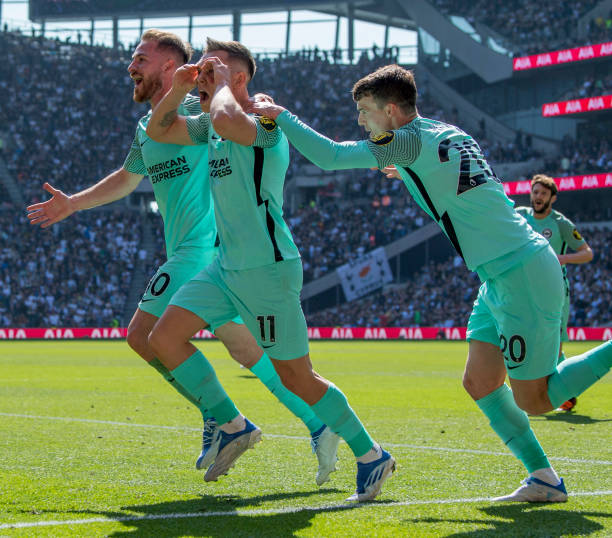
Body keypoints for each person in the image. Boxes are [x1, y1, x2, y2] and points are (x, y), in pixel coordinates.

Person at [249, 64, 612, 502]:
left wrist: (279, 114)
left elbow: (332, 156)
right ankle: (544, 479)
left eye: (365, 112)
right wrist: (408, 173)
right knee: (480, 381)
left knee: (535, 399)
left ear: (392, 109)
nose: (361, 122)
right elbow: (457, 185)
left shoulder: (409, 140)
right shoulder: (445, 132)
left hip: (520, 272)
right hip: (501, 274)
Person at [25, 29, 339, 485]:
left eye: (140, 58)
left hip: (204, 250)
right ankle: (318, 423)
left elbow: (239, 119)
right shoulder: (149, 127)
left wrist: (243, 95)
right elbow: (127, 178)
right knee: (248, 352)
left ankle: (228, 421)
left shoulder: (200, 110)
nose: (131, 66)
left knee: (141, 334)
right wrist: (72, 202)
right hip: (202, 256)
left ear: (170, 67)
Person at [146, 38, 395, 501]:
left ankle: (370, 453)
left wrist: (219, 85)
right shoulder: (211, 125)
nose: (202, 80)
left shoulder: (264, 124)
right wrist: (176, 88)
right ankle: (232, 424)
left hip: (267, 270)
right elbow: (160, 130)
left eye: (212, 72)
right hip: (225, 267)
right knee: (161, 339)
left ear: (238, 79)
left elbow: (225, 116)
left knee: (298, 377)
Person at [516, 174, 594, 412]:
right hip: (526, 288)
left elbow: (587, 252)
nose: (538, 197)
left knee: (554, 345)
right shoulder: (520, 216)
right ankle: (559, 392)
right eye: (535, 192)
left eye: (543, 193)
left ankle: (564, 391)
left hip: (555, 289)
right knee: (526, 339)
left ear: (553, 198)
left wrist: (559, 258)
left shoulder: (560, 223)